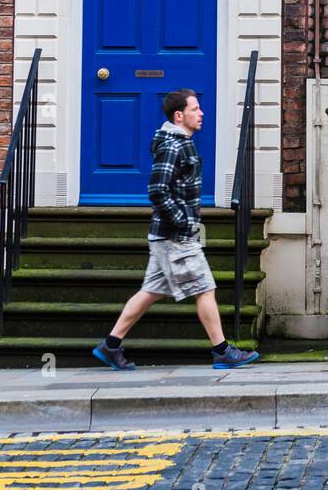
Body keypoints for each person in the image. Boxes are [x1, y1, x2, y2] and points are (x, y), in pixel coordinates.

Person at [92, 88, 260, 371]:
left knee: (152, 290)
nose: (201, 113)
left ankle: (111, 345)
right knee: (205, 287)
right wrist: (183, 221)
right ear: (179, 115)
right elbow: (157, 190)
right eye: (195, 109)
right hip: (175, 236)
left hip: (166, 235)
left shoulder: (180, 141)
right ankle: (221, 352)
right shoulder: (173, 145)